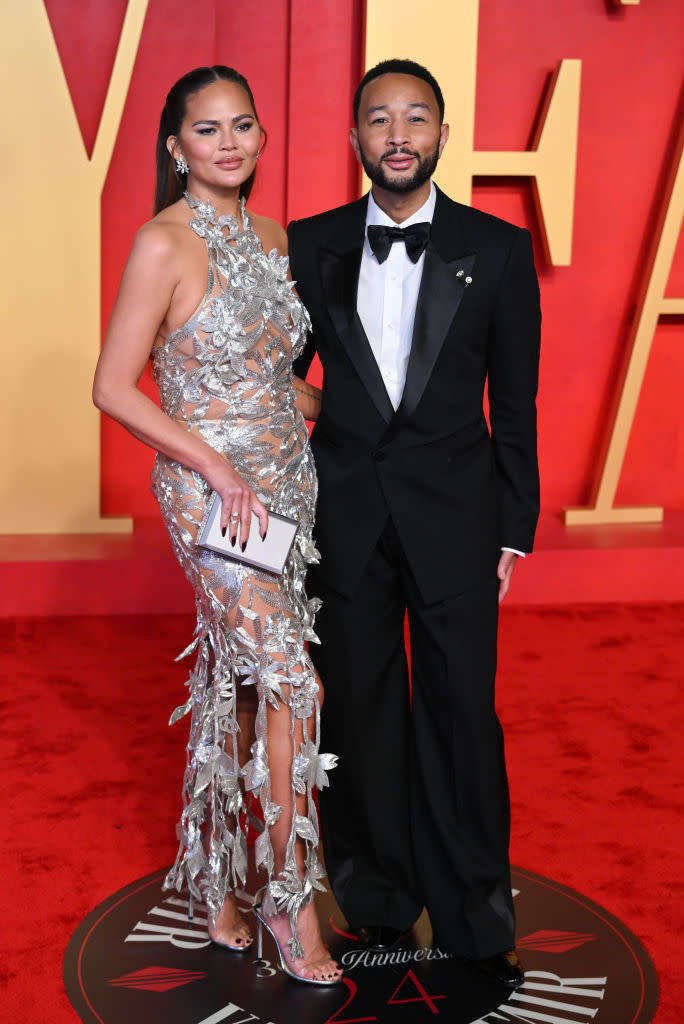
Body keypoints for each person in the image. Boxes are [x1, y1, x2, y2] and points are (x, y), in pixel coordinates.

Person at [287, 58, 541, 988]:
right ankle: (380, 900)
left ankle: (476, 910)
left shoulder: (499, 249)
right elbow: (281, 382)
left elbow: (516, 406)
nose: (398, 134)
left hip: (459, 525)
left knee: (462, 718)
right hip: (343, 520)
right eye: (379, 119)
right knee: (358, 716)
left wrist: (516, 529)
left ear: (441, 134)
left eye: (416, 118)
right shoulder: (307, 246)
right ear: (354, 138)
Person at [92, 65, 341, 985]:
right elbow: (113, 386)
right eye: (207, 130)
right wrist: (214, 463)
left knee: (239, 680)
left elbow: (271, 379)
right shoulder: (163, 243)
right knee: (293, 683)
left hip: (288, 490)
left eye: (244, 126)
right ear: (174, 146)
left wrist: (362, 412)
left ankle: (211, 878)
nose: (229, 143)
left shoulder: (269, 235)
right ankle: (287, 893)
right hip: (216, 497)